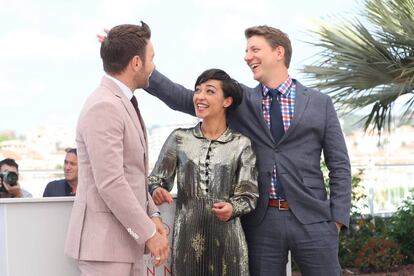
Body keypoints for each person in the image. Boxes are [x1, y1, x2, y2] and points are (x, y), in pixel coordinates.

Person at [143, 25, 352, 275]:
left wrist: (337, 218)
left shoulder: (320, 103)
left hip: (313, 220)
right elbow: (183, 97)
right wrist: (145, 71)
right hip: (262, 223)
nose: (247, 56)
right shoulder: (242, 101)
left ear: (278, 52)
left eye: (255, 49)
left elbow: (339, 164)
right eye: (246, 50)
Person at [65, 21, 169, 276]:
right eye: (151, 58)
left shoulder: (121, 102)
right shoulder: (105, 106)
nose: (153, 66)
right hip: (105, 249)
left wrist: (153, 216)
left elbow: (133, 175)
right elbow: (111, 182)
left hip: (123, 246)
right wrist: (147, 233)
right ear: (136, 62)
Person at [149, 68, 259, 275]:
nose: (199, 96)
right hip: (187, 242)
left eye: (209, 91)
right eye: (197, 90)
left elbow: (249, 195)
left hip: (229, 244)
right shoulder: (179, 139)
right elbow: (156, 179)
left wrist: (232, 208)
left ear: (227, 101)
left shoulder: (241, 144)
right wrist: (156, 189)